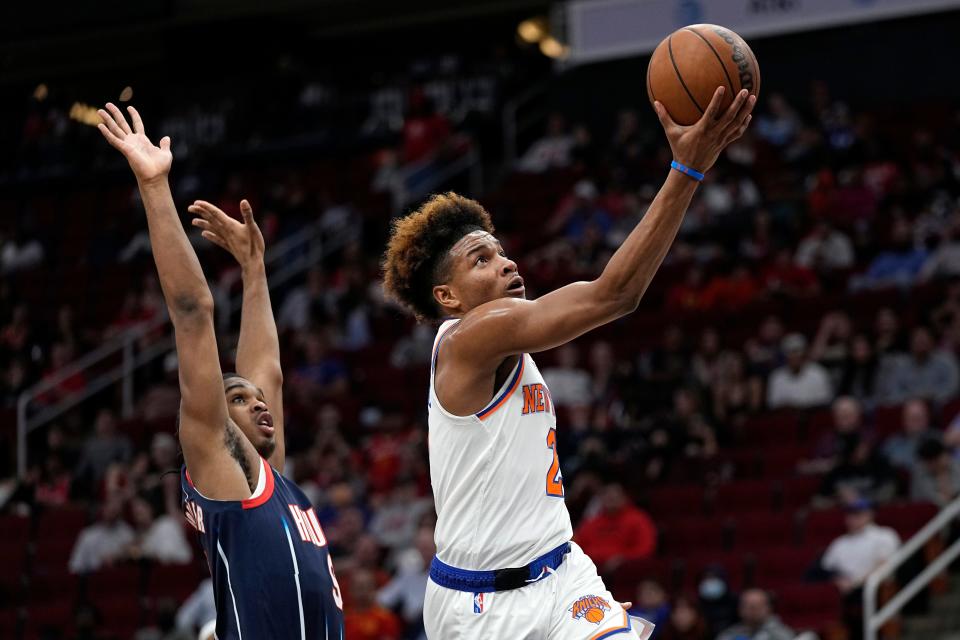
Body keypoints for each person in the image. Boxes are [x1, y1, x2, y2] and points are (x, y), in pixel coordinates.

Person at [382, 87, 755, 638]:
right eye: (480, 260)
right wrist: (687, 170)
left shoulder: (505, 339)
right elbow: (614, 295)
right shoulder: (469, 338)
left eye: (501, 251)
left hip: (564, 576)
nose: (505, 264)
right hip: (481, 609)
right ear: (448, 298)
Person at [97, 103, 342, 638]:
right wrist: (155, 188)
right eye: (237, 400)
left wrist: (255, 271)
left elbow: (267, 374)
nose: (257, 401)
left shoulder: (271, 477)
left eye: (254, 399)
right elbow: (192, 313)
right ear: (215, 422)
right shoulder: (218, 471)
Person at [574, 483, 657, 573]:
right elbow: (576, 545)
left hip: (625, 571)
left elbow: (646, 548)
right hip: (590, 570)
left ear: (624, 497)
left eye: (614, 496)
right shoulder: (592, 522)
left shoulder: (638, 519)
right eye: (607, 496)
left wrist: (624, 559)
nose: (610, 498)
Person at [766, 333, 833, 409]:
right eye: (790, 352)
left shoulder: (819, 373)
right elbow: (773, 406)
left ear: (805, 352)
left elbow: (825, 402)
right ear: (784, 355)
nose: (794, 356)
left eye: (797, 351)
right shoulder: (776, 377)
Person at [715, 589, 794, 640]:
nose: (753, 610)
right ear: (740, 609)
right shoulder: (730, 634)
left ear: (769, 608)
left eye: (758, 606)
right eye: (748, 606)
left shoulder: (782, 634)